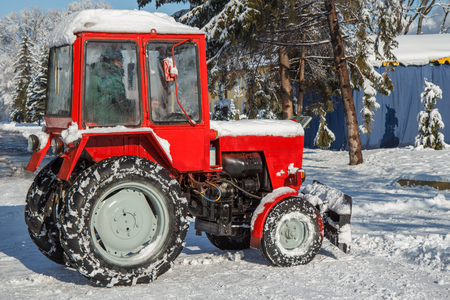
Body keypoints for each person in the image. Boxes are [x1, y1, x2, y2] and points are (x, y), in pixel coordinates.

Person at [86, 47, 131, 125]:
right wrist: (136, 107)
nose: (122, 64)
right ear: (114, 61)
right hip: (109, 119)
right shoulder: (110, 74)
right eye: (120, 61)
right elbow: (119, 101)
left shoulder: (98, 71)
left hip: (98, 115)